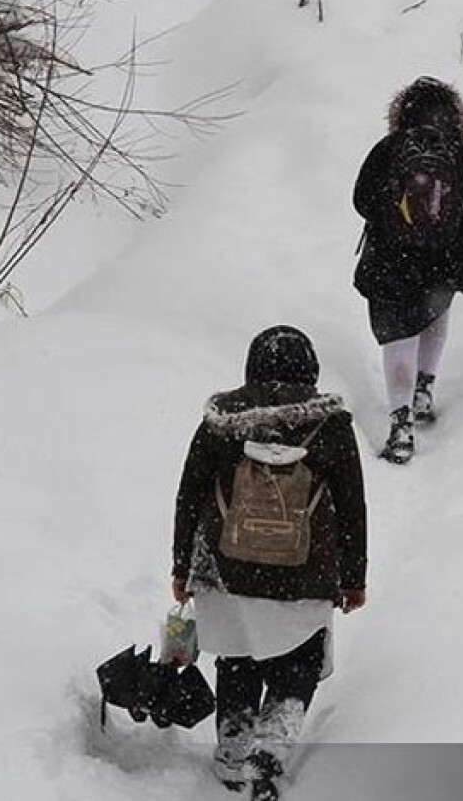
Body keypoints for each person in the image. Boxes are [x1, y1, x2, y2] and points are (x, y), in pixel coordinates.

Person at [170, 325, 367, 801]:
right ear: (311, 370)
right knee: (298, 661)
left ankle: (233, 745)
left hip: (227, 569)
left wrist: (182, 567)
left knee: (237, 656)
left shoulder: (222, 421)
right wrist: (353, 577)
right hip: (306, 571)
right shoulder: (332, 425)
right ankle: (271, 749)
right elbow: (351, 504)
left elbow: (190, 494)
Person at [353, 76, 463, 464]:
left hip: (390, 264)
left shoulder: (389, 149)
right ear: (455, 116)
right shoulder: (461, 154)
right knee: (434, 313)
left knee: (397, 337)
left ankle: (400, 423)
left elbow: (361, 201)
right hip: (444, 264)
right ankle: (424, 390)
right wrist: (449, 223)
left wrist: (396, 219)